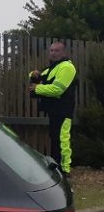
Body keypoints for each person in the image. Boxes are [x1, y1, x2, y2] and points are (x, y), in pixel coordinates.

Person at [29, 41, 77, 176]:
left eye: (57, 51)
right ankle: (57, 168)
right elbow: (40, 76)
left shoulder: (67, 67)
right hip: (54, 111)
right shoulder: (52, 68)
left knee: (62, 140)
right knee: (55, 139)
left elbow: (57, 90)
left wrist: (37, 88)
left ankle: (64, 170)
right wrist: (34, 74)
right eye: (51, 50)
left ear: (64, 52)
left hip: (63, 111)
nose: (53, 53)